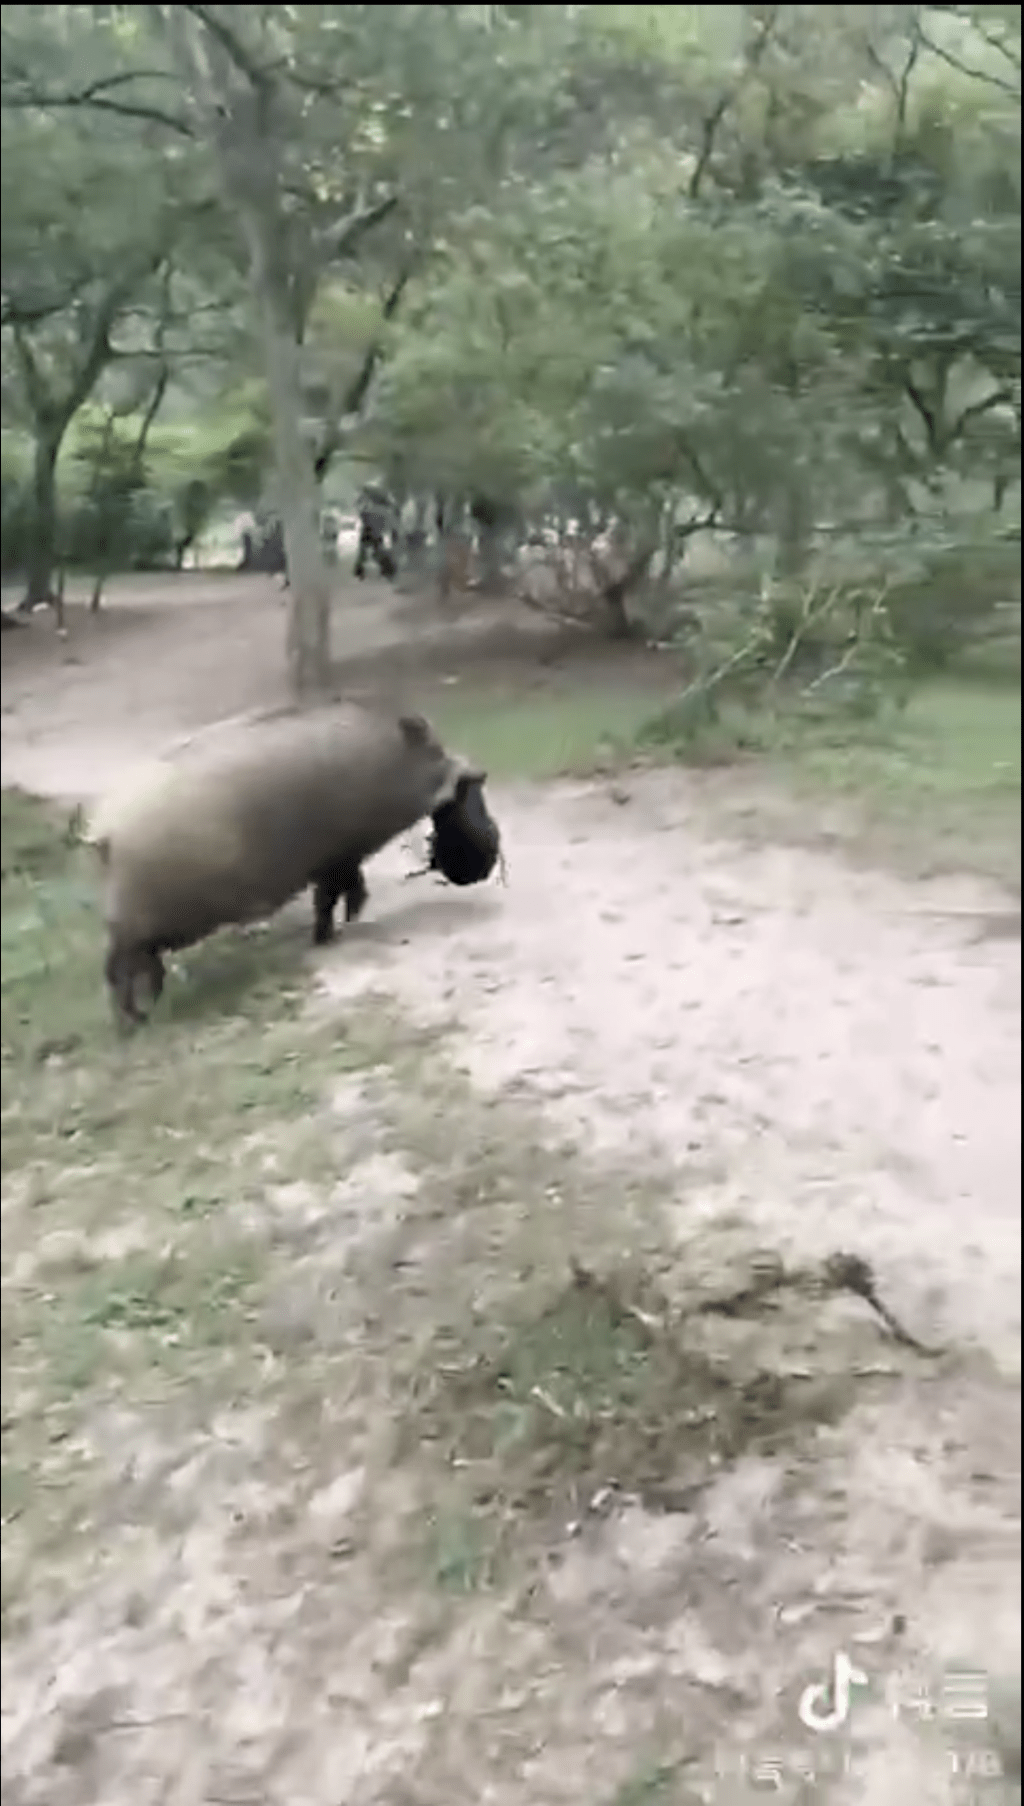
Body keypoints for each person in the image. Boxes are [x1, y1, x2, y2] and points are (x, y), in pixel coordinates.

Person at [354, 484, 398, 580]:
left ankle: (359, 570)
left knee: (366, 551)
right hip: (378, 533)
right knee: (380, 551)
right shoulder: (385, 509)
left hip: (370, 532)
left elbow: (362, 515)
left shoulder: (369, 507)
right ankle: (388, 571)